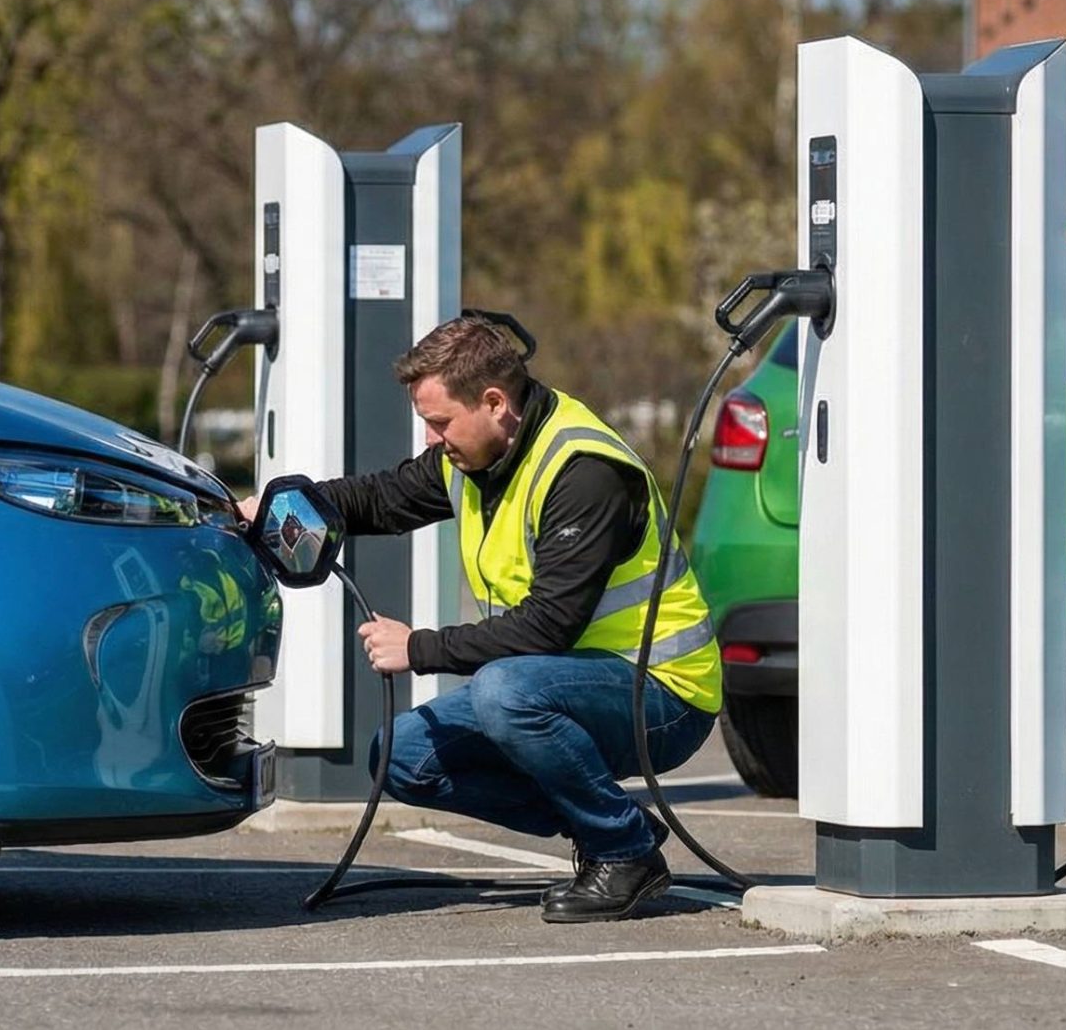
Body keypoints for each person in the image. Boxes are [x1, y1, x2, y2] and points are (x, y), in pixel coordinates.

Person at [244, 315, 721, 922]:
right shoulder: (471, 458)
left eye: (439, 422)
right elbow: (381, 499)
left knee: (503, 691)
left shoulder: (585, 472)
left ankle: (623, 852)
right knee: (400, 754)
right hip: (560, 684)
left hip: (660, 694)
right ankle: (611, 824)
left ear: (494, 403)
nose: (430, 438)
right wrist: (281, 506)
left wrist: (418, 647)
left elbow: (549, 627)